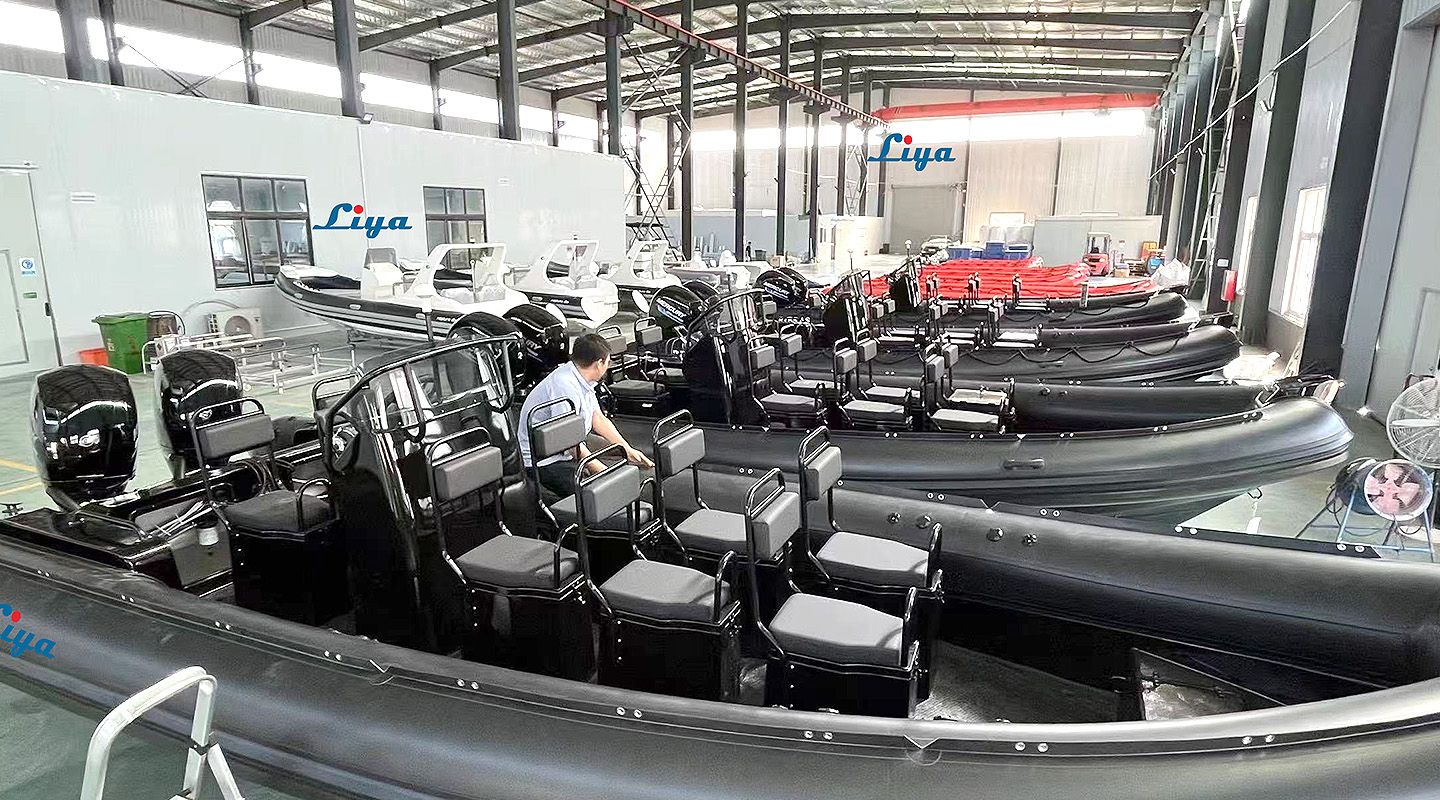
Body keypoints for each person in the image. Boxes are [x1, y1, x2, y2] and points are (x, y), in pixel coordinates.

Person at [517, 333, 654, 497]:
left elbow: (598, 419)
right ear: (599, 364)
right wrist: (604, 473)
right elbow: (570, 444)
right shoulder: (564, 386)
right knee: (594, 493)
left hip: (569, 443)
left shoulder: (581, 377)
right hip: (544, 459)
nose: (608, 366)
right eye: (608, 361)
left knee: (617, 451)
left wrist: (628, 449)